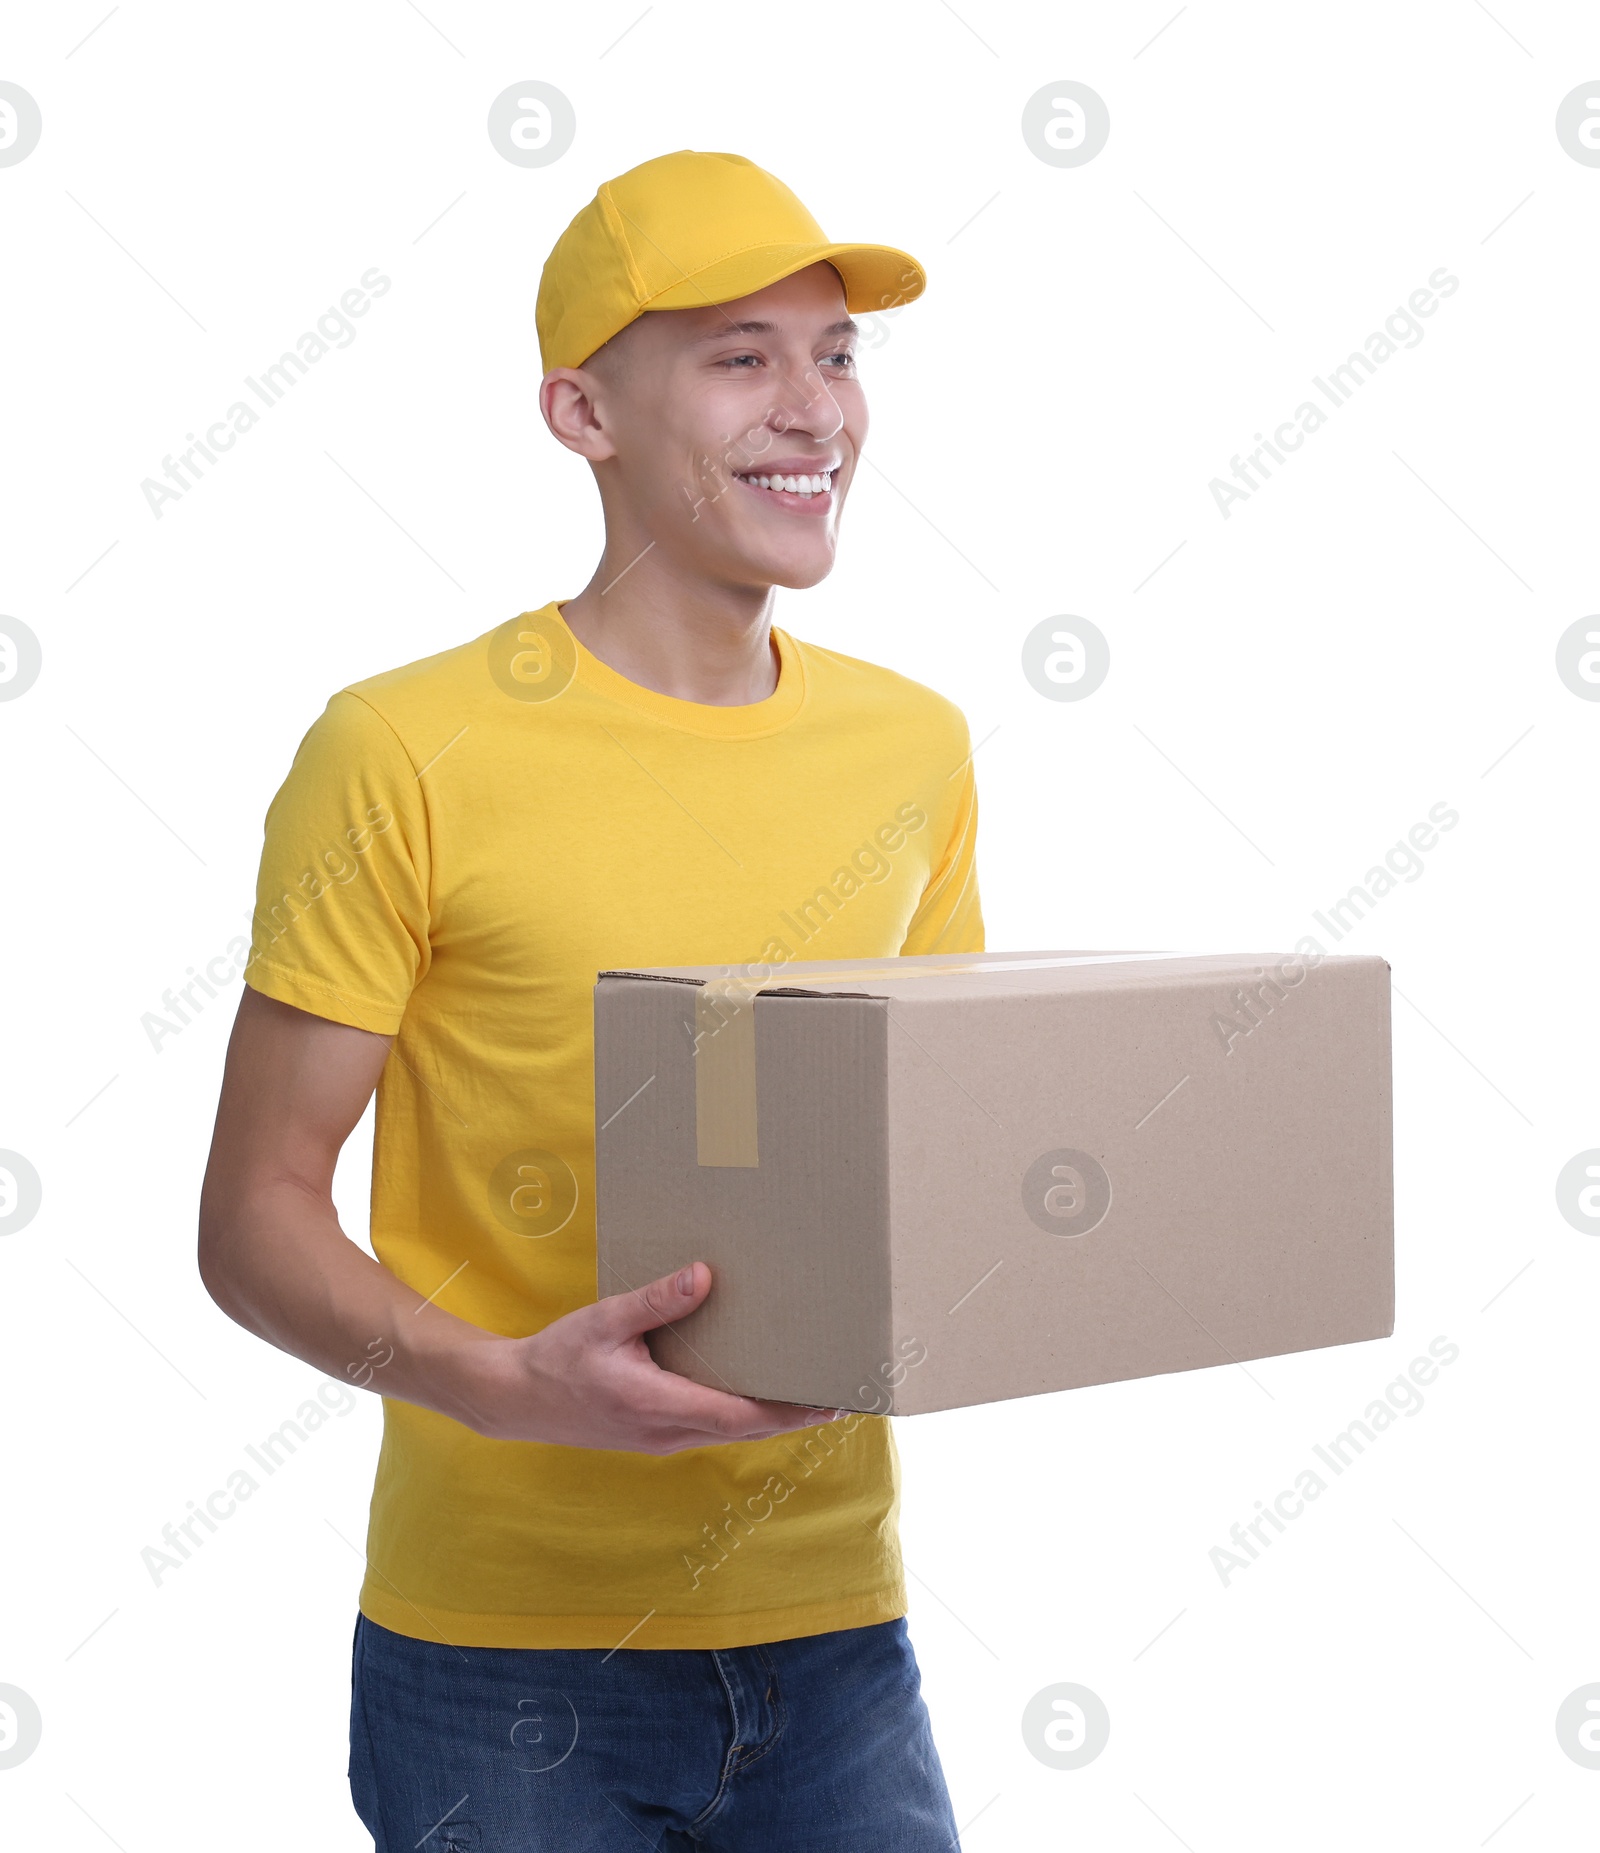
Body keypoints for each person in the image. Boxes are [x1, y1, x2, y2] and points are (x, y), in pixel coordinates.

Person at [199, 148, 983, 1852]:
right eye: (740, 355)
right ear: (583, 412)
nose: (816, 410)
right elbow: (252, 1210)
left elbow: (931, 1150)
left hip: (840, 1637)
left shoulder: (913, 745)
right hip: (501, 1665)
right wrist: (505, 1382)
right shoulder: (398, 749)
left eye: (837, 354)